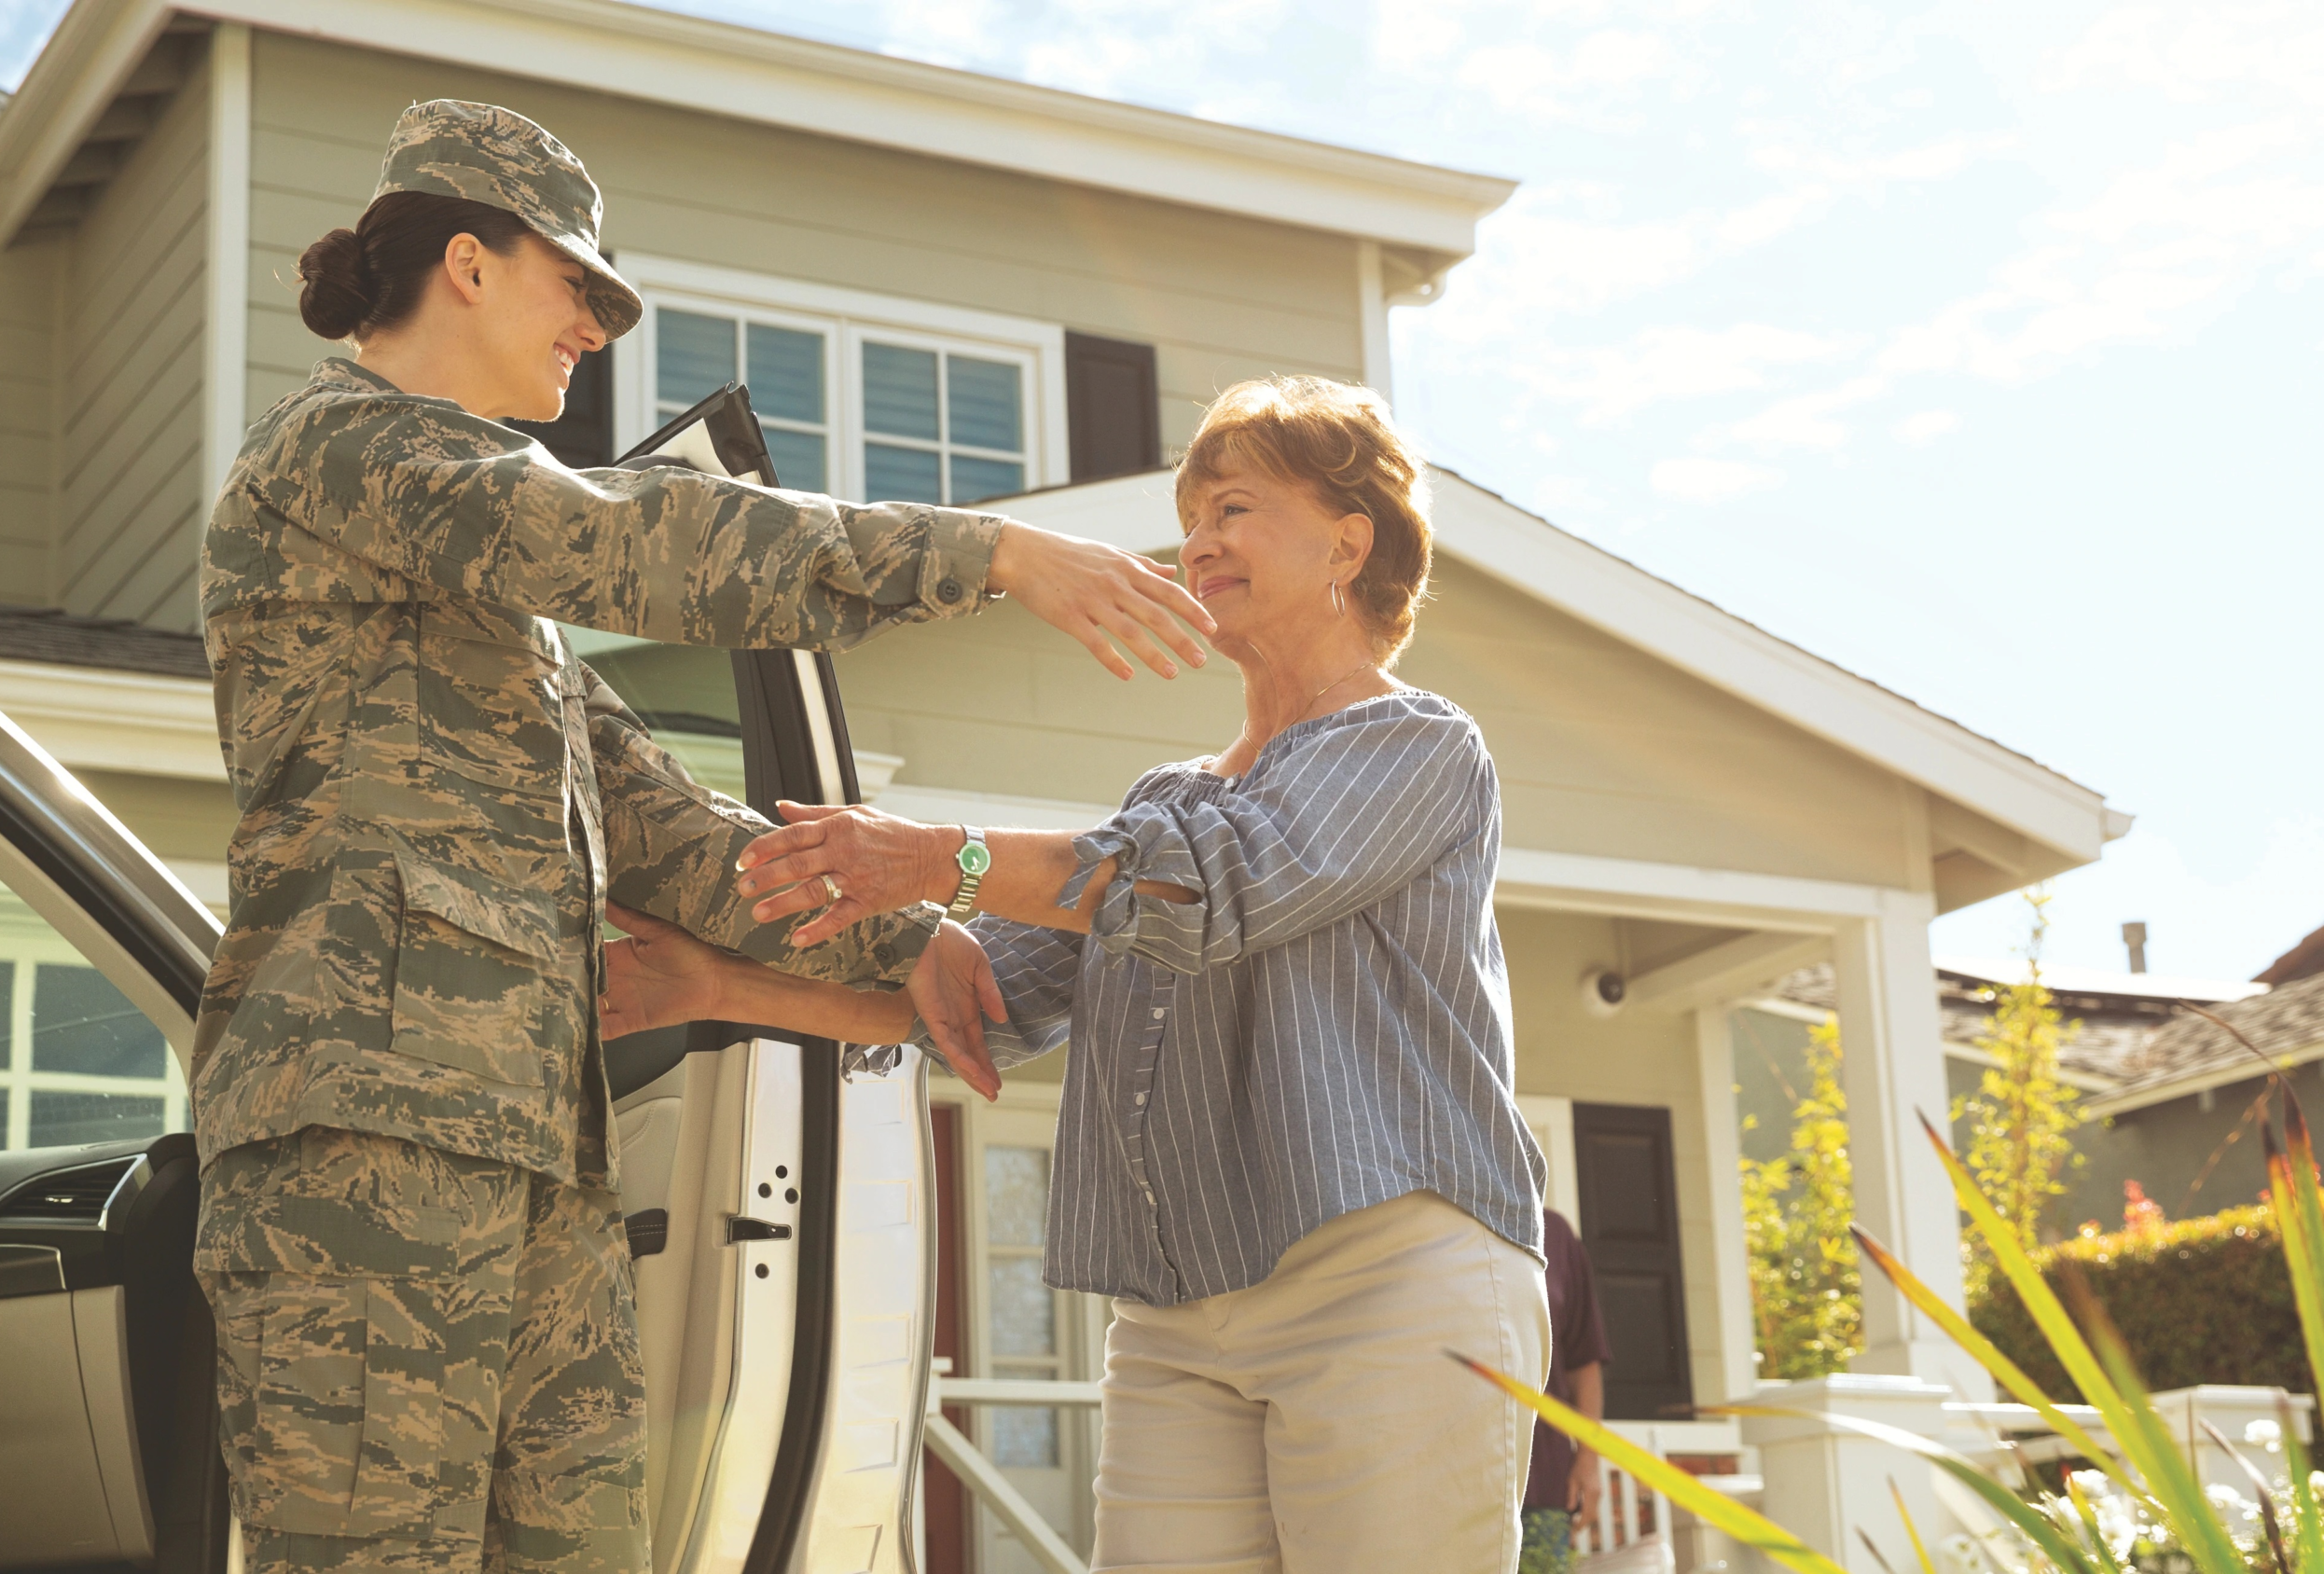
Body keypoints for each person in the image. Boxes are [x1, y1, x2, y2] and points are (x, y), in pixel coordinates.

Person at [191, 99, 1214, 1574]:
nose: (594, 330)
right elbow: (627, 539)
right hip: (367, 1141)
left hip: (539, 1156)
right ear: (467, 264)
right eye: (579, 288)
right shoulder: (346, 456)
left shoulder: (490, 606)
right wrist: (981, 550)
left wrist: (928, 940)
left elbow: (682, 846)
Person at [599, 375, 1554, 1570]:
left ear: (1347, 544)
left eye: (1236, 509)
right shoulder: (1168, 798)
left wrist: (932, 857)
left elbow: (1213, 883)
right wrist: (715, 990)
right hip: (1176, 1314)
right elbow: (979, 1001)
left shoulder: (1414, 743)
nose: (1199, 542)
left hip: (1386, 1279)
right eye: (1192, 515)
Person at [1520, 1208, 1612, 1574]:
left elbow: (1583, 1362)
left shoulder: (1553, 1232)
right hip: (1445, 1482)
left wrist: (1587, 1462)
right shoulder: (1427, 1218)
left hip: (1543, 1486)